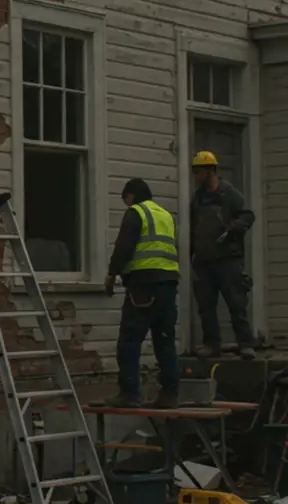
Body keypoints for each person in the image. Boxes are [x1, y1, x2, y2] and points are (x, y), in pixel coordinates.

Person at [103, 179, 181, 409]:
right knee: (165, 342)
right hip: (168, 284)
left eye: (125, 199)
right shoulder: (165, 215)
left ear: (132, 195)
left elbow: (124, 247)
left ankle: (129, 393)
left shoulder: (136, 212)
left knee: (129, 339)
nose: (126, 204)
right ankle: (170, 394)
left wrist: (111, 274)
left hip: (144, 285)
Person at [190, 151, 257, 359]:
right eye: (195, 172)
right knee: (206, 306)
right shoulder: (197, 199)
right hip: (204, 261)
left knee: (236, 302)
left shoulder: (230, 194)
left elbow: (248, 215)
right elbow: (193, 227)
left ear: (212, 170)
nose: (197, 176)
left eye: (200, 172)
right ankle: (212, 344)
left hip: (228, 259)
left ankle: (245, 343)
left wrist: (235, 226)